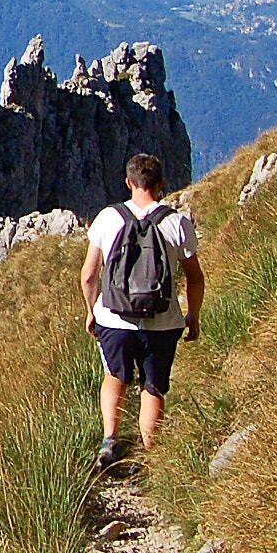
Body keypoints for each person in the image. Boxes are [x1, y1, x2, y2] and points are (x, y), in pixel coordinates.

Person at [80, 153, 204, 468]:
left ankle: (110, 440)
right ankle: (149, 457)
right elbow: (194, 277)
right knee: (153, 386)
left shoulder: (108, 218)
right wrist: (193, 316)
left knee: (115, 376)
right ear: (161, 184)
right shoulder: (177, 222)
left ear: (128, 182)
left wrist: (91, 311)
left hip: (114, 317)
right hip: (163, 322)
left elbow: (89, 275)